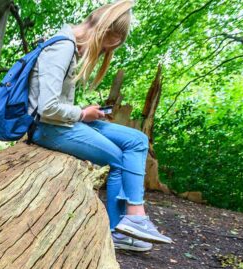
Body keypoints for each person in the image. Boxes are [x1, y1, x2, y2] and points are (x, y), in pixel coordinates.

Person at [29, 0, 172, 252]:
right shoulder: (61, 48)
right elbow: (47, 108)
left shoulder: (69, 47)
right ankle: (120, 231)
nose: (102, 53)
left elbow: (57, 102)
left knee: (138, 140)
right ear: (107, 34)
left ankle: (135, 218)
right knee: (118, 160)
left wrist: (86, 112)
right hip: (48, 128)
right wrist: (83, 113)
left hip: (64, 122)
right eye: (107, 47)